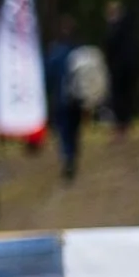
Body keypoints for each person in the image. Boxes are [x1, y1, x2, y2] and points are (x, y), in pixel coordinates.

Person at [44, 15, 83, 182]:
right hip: (78, 99)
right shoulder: (79, 51)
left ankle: (67, 156)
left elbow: (47, 76)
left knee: (64, 130)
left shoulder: (55, 52)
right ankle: (72, 155)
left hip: (61, 98)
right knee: (74, 129)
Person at [105, 0, 139, 136]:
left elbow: (111, 46)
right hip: (127, 67)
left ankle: (122, 124)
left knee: (120, 96)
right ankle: (124, 123)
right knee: (125, 96)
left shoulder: (116, 28)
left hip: (120, 68)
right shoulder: (128, 27)